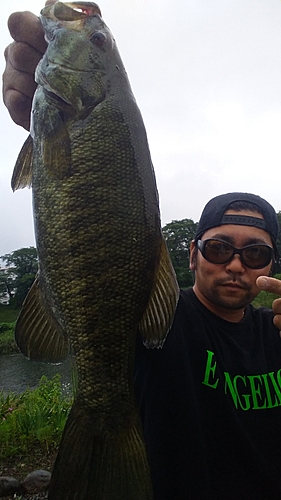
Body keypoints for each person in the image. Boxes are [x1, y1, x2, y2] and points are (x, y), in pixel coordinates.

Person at [3, 5, 281, 499]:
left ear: (272, 267)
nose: (236, 264)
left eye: (255, 255)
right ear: (191, 255)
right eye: (219, 247)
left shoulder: (278, 335)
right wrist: (39, 121)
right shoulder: (166, 324)